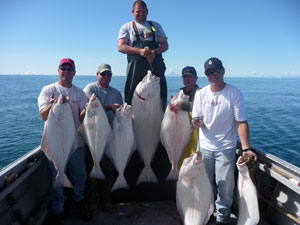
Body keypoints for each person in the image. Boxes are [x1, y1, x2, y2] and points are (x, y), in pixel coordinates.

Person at [192, 57, 257, 225]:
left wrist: (245, 148)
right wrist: (196, 123)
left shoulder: (234, 93)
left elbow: (241, 122)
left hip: (225, 147)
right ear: (205, 75)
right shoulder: (200, 94)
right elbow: (195, 120)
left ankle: (222, 218)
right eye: (209, 73)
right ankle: (205, 214)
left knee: (225, 188)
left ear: (223, 70)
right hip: (204, 147)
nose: (213, 75)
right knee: (204, 185)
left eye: (216, 71)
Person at [38, 58, 91, 224]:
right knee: (56, 177)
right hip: (54, 141)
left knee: (79, 176)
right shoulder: (48, 90)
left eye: (70, 69)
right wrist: (53, 105)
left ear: (74, 73)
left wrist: (87, 111)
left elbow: (82, 117)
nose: (66, 72)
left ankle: (78, 203)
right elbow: (43, 115)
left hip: (75, 142)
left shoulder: (79, 93)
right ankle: (57, 210)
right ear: (58, 70)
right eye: (63, 69)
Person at [83, 63, 123, 213]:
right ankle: (92, 202)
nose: (106, 77)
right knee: (92, 172)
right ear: (97, 75)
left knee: (108, 170)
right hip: (93, 136)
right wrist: (109, 107)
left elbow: (119, 113)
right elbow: (90, 108)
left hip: (109, 138)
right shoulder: (90, 89)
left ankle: (106, 200)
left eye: (108, 75)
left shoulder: (117, 93)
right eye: (103, 74)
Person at [118, 0, 168, 109]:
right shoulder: (127, 27)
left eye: (143, 11)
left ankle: (162, 113)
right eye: (138, 11)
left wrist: (155, 52)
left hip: (155, 63)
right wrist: (139, 51)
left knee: (160, 90)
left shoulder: (155, 25)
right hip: (136, 67)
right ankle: (129, 114)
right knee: (131, 91)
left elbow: (165, 44)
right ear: (132, 12)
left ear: (147, 12)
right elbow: (121, 47)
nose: (141, 14)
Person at [169, 66, 200, 168]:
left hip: (196, 135)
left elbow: (200, 107)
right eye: (185, 77)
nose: (187, 79)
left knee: (193, 163)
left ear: (196, 78)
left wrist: (181, 106)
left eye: (190, 77)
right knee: (180, 163)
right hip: (181, 133)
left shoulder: (201, 93)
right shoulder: (181, 94)